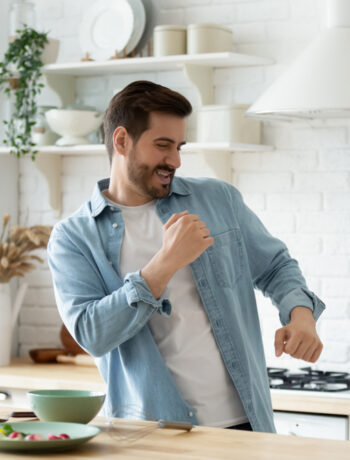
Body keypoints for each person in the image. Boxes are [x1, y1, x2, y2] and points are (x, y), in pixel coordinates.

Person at [47, 80, 325, 433]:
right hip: (154, 433)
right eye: (163, 146)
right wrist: (165, 263)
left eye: (179, 146)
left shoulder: (218, 199)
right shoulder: (73, 237)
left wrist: (301, 315)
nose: (175, 161)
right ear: (121, 141)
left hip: (246, 426)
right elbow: (91, 334)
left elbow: (275, 266)